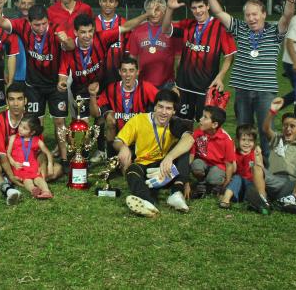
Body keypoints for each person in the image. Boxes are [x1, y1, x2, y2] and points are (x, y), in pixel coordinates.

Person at [203, 0, 296, 158]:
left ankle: (273, 168)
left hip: (265, 92)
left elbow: (287, 16)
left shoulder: (275, 31)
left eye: (255, 14)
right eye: (248, 15)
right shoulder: (240, 28)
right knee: (243, 131)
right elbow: (218, 13)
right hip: (243, 91)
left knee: (266, 129)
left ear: (264, 14)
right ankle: (244, 166)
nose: (251, 18)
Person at [0, 4, 72, 165]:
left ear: (48, 20)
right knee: (36, 122)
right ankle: (35, 157)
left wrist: (66, 40)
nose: (41, 28)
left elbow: (71, 47)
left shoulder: (56, 28)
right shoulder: (22, 25)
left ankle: (64, 158)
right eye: (37, 25)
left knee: (60, 122)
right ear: (29, 22)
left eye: (43, 24)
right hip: (33, 84)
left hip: (56, 84)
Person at [113, 89, 194, 217]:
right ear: (155, 107)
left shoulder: (174, 123)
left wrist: (170, 157)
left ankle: (176, 194)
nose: (163, 112)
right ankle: (147, 203)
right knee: (132, 170)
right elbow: (117, 141)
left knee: (183, 152)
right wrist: (123, 147)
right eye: (160, 107)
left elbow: (189, 139)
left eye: (168, 108)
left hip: (165, 169)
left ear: (173, 111)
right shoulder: (139, 120)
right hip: (144, 167)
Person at [162, 0, 236, 121]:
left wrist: (220, 76)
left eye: (201, 6)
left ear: (208, 6)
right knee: (181, 124)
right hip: (184, 86)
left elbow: (229, 56)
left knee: (207, 126)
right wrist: (169, 9)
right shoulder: (188, 25)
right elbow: (165, 29)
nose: (198, 11)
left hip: (207, 88)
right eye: (194, 8)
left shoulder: (220, 27)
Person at [57, 12, 147, 119]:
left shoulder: (101, 38)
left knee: (106, 120)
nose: (87, 36)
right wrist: (61, 83)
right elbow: (63, 72)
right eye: (83, 32)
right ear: (75, 32)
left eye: (90, 31)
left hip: (100, 85)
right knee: (81, 126)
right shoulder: (69, 49)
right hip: (79, 89)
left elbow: (125, 27)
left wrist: (147, 15)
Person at [0, 82, 63, 204]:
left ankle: (28, 180)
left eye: (19, 99)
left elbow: (40, 151)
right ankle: (8, 182)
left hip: (28, 165)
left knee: (57, 168)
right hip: (6, 163)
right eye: (11, 99)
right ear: (7, 102)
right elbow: (2, 154)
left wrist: (42, 168)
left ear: (25, 101)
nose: (16, 104)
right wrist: (11, 175)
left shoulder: (31, 121)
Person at [89, 56, 158, 158]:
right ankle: (111, 157)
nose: (128, 75)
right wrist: (92, 95)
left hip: (139, 137)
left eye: (131, 71)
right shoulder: (111, 89)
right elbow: (95, 114)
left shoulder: (146, 88)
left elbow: (163, 101)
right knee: (110, 119)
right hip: (119, 139)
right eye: (124, 71)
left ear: (137, 72)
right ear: (120, 72)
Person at [127, 0, 180, 89]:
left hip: (167, 83)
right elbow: (132, 59)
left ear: (164, 12)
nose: (154, 13)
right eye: (151, 10)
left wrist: (177, 83)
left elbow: (178, 59)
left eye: (158, 9)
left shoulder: (172, 31)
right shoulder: (137, 31)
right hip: (143, 83)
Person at [189, 106, 235, 198]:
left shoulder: (226, 140)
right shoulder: (198, 133)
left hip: (218, 166)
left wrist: (227, 182)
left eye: (205, 117)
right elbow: (191, 155)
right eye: (202, 116)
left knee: (214, 178)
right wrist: (186, 178)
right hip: (203, 163)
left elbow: (229, 164)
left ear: (214, 124)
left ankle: (214, 186)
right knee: (196, 165)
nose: (200, 119)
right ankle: (201, 183)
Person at [219, 124, 267, 210]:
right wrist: (232, 155)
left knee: (251, 189)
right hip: (238, 185)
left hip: (251, 184)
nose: (247, 143)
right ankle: (226, 199)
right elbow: (234, 170)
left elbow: (261, 170)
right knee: (237, 178)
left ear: (255, 142)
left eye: (250, 140)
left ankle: (250, 201)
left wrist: (258, 156)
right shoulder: (235, 153)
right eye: (243, 139)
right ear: (238, 140)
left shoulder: (255, 153)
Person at [6, 114, 54, 199]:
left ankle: (46, 191)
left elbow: (48, 153)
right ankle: (33, 190)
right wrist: (13, 163)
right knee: (27, 180)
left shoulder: (37, 141)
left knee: (39, 179)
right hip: (20, 167)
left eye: (24, 128)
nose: (20, 129)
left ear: (32, 132)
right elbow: (8, 154)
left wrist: (50, 165)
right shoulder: (13, 138)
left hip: (33, 166)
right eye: (20, 125)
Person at [96, 0, 128, 86]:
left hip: (117, 74)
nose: (107, 4)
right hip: (96, 76)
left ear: (116, 3)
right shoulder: (92, 23)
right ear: (100, 2)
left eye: (111, 1)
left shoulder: (124, 23)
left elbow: (128, 51)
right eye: (104, 1)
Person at [13, 0, 36, 82]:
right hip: (17, 75)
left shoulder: (41, 25)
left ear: (34, 5)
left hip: (37, 76)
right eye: (23, 3)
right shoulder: (12, 25)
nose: (26, 6)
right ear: (18, 4)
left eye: (29, 4)